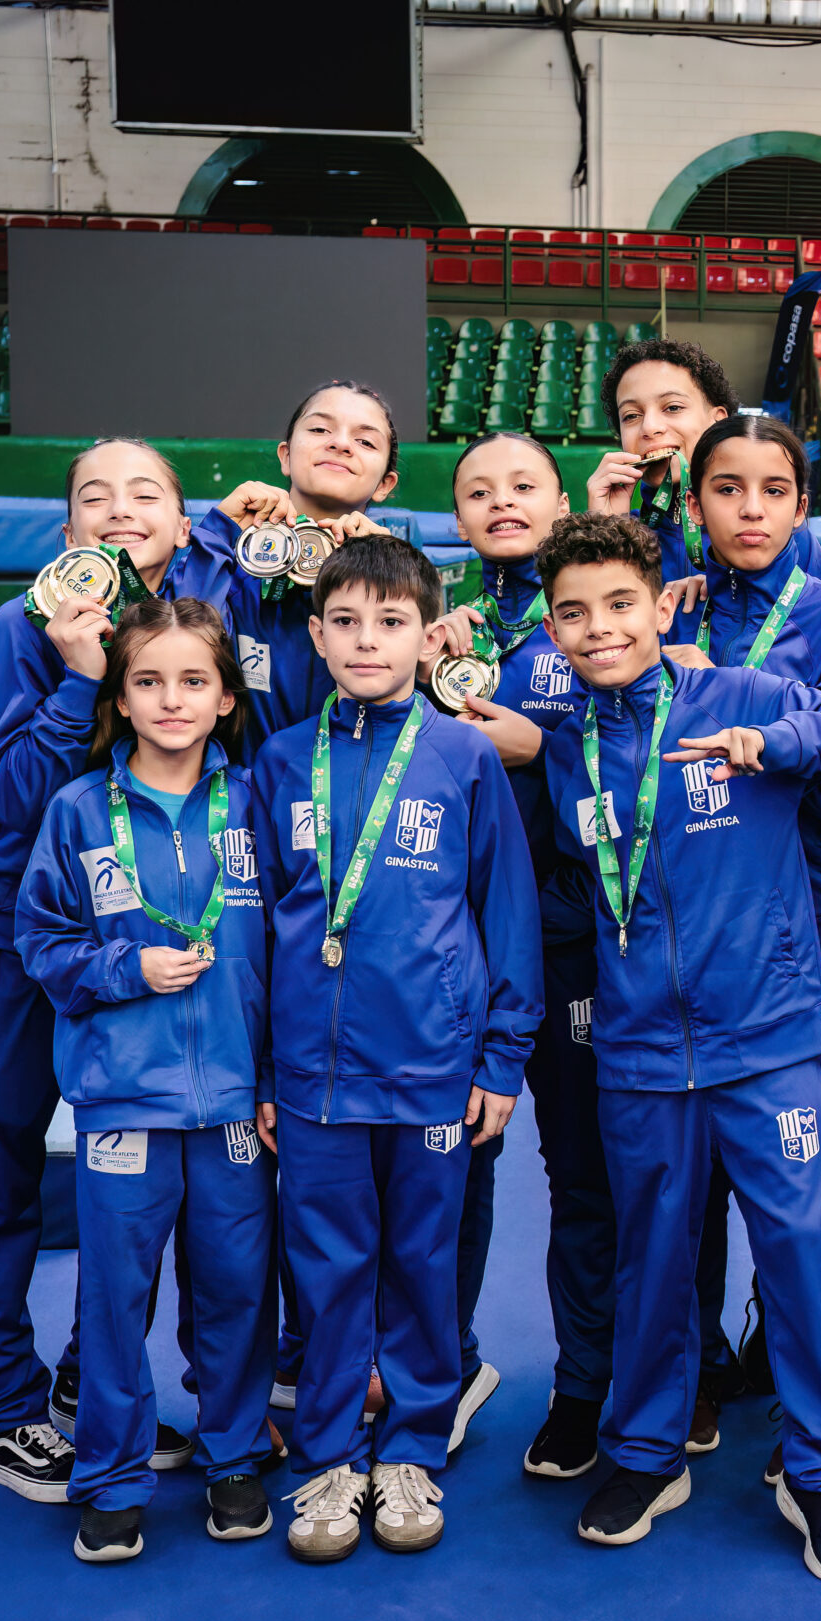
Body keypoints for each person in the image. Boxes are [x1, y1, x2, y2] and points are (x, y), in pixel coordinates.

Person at [533, 509, 821, 1583]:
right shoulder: (568, 748)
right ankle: (647, 1452)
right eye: (573, 613)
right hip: (640, 1049)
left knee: (798, 1252)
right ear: (552, 629)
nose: (600, 628)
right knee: (652, 1256)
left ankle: (820, 1470)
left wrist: (777, 743)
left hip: (769, 1037)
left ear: (663, 606)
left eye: (620, 604)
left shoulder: (740, 694)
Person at [248, 533, 541, 1564]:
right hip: (313, 1077)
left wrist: (500, 1057)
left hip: (431, 1069)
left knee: (422, 1264)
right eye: (345, 622)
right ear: (316, 634)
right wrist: (264, 1070)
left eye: (391, 621)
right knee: (327, 1268)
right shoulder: (281, 760)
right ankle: (329, 1455)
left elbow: (505, 912)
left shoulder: (464, 756)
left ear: (428, 636)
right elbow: (257, 928)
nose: (366, 640)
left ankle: (413, 1445)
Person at [0, 437, 196, 1503]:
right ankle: (4, 1410)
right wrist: (79, 675)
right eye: (96, 496)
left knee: (133, 1180)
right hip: (6, 939)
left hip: (125, 945)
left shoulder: (181, 629)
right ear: (68, 530)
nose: (121, 508)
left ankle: (96, 1389)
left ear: (183, 527)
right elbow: (4, 801)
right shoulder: (21, 626)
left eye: (146, 494)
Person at [14, 597, 273, 1563]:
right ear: (119, 699)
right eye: (149, 681)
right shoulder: (80, 810)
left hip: (236, 1102)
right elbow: (40, 940)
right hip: (124, 1101)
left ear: (226, 697)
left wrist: (274, 1077)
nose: (172, 699)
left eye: (194, 680)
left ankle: (234, 1454)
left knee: (237, 1289)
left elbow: (292, 952)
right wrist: (126, 968)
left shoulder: (257, 804)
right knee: (116, 1298)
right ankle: (113, 1475)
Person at [677, 413, 821, 1447]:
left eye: (773, 491)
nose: (750, 510)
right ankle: (693, 1364)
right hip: (685, 914)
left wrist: (760, 721)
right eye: (728, 489)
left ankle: (814, 1374)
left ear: (804, 507)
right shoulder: (671, 603)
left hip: (802, 917)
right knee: (688, 1174)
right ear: (696, 504)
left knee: (810, 1169)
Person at [429, 431, 618, 1476]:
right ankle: (442, 1371)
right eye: (478, 490)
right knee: (453, 1163)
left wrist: (543, 747)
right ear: (455, 514)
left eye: (523, 484)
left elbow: (642, 750)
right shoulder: (434, 626)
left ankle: (586, 1385)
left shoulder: (596, 618)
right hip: (460, 953)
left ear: (560, 499)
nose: (501, 500)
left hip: (575, 941)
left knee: (584, 1172)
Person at [190, 380, 404, 752]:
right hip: (237, 783)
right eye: (320, 429)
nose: (340, 444)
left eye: (365, 441)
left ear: (385, 483)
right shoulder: (227, 564)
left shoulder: (399, 576)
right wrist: (218, 532)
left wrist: (388, 575)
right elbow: (178, 638)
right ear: (286, 456)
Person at [586, 337, 821, 586]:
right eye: (631, 416)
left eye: (672, 407)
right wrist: (605, 532)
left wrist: (724, 591)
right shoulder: (619, 532)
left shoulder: (776, 528)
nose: (649, 428)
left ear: (717, 422)